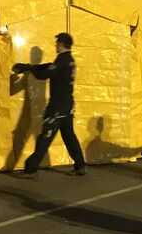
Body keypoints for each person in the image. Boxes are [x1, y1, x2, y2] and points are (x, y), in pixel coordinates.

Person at [13, 32, 87, 177]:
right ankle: (81, 166)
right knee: (69, 137)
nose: (55, 45)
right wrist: (30, 67)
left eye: (57, 43)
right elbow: (49, 67)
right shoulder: (69, 60)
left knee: (44, 138)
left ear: (61, 44)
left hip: (57, 107)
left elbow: (44, 75)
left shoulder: (62, 60)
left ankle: (31, 169)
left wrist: (29, 68)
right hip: (67, 105)